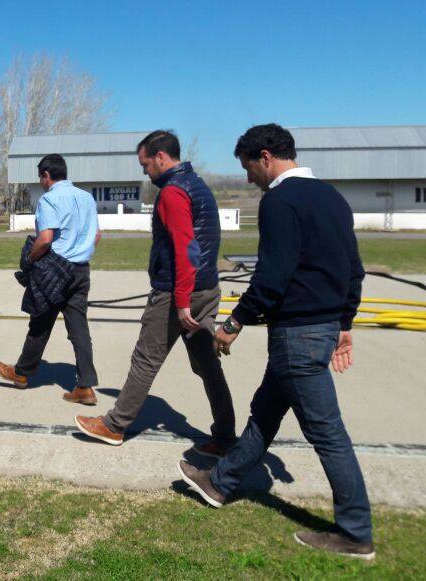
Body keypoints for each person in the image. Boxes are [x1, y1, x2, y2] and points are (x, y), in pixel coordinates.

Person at [178, 123, 373, 560]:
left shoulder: (280, 201)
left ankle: (356, 532)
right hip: (321, 327)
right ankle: (219, 483)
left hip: (296, 334)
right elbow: (354, 269)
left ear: (265, 156)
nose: (249, 179)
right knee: (265, 413)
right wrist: (344, 321)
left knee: (327, 433)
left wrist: (234, 322)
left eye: (248, 168)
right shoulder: (332, 197)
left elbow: (272, 276)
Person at [74, 131, 237, 453]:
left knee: (145, 360)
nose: (144, 171)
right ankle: (225, 435)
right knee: (208, 366)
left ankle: (114, 426)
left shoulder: (173, 192)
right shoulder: (198, 185)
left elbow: (186, 248)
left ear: (161, 157)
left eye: (145, 164)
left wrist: (181, 300)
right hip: (206, 288)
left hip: (178, 293)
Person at [0, 154, 101, 404]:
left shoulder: (49, 199)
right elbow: (96, 236)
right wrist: (79, 252)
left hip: (55, 269)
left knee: (40, 321)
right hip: (81, 270)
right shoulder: (86, 198)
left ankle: (21, 373)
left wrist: (30, 260)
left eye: (41, 177)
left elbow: (45, 239)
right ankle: (85, 386)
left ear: (46, 175)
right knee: (79, 329)